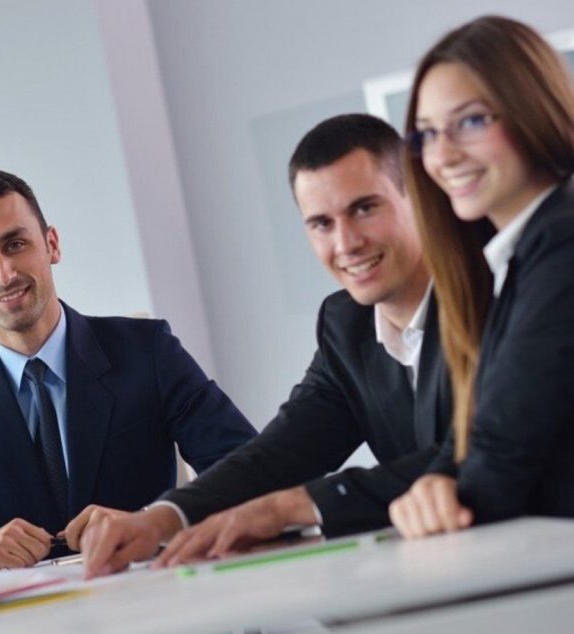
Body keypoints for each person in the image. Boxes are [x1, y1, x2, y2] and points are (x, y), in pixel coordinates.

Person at [74, 114, 452, 577]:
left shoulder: (495, 297)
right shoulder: (345, 322)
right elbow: (282, 452)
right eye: (320, 224)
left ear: (417, 195)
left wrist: (291, 507)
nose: (346, 243)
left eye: (364, 208)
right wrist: (162, 517)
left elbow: (480, 452)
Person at [0, 168, 256, 575]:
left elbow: (251, 473)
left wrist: (155, 519)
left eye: (15, 244)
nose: (3, 273)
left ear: (51, 245)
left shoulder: (147, 350)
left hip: (161, 613)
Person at [388, 15, 574, 538]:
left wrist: (447, 500)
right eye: (426, 133)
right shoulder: (518, 252)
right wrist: (438, 481)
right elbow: (479, 431)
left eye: (470, 121)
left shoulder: (562, 239)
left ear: (531, 108)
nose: (442, 155)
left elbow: (507, 448)